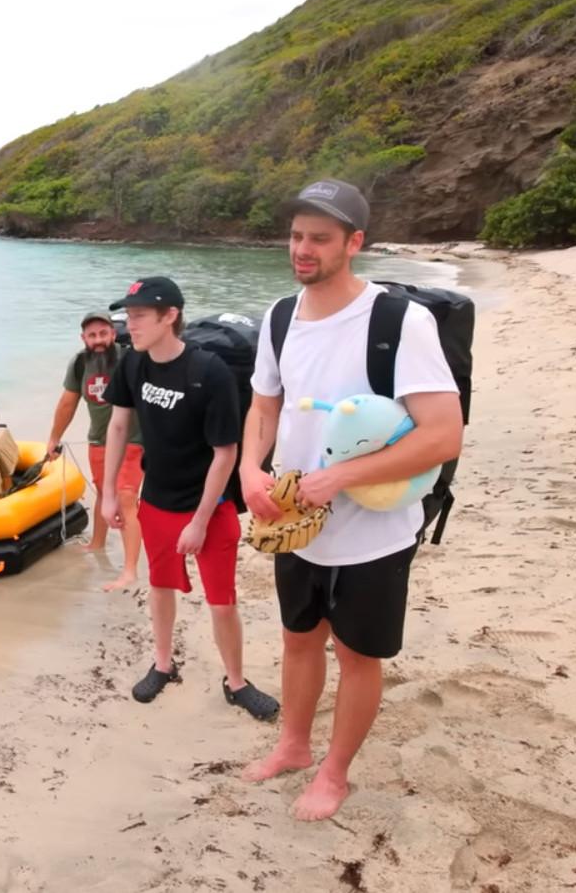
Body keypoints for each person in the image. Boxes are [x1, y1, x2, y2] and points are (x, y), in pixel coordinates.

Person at [238, 179, 462, 821]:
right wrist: (252, 470)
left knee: (358, 654)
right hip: (295, 524)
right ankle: (293, 746)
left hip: (377, 527)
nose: (302, 250)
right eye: (296, 236)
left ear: (355, 243)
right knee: (298, 637)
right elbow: (264, 404)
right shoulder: (280, 317)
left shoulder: (399, 321)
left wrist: (340, 477)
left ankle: (335, 774)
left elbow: (444, 434)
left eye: (320, 239)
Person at [100, 277, 278, 719]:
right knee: (160, 586)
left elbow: (226, 452)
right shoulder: (132, 364)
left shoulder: (209, 372)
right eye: (128, 315)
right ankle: (163, 665)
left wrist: (199, 521)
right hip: (156, 500)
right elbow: (119, 426)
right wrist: (107, 495)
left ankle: (236, 681)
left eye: (139, 316)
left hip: (210, 506)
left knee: (222, 600)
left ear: (170, 316)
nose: (130, 324)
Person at [45, 310, 144, 590]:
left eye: (103, 333)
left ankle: (129, 570)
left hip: (135, 439)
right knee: (103, 491)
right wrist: (54, 437)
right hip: (100, 440)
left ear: (113, 334)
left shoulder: (130, 357)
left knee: (125, 497)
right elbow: (68, 402)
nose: (98, 340)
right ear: (83, 338)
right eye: (92, 335)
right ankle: (97, 543)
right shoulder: (79, 362)